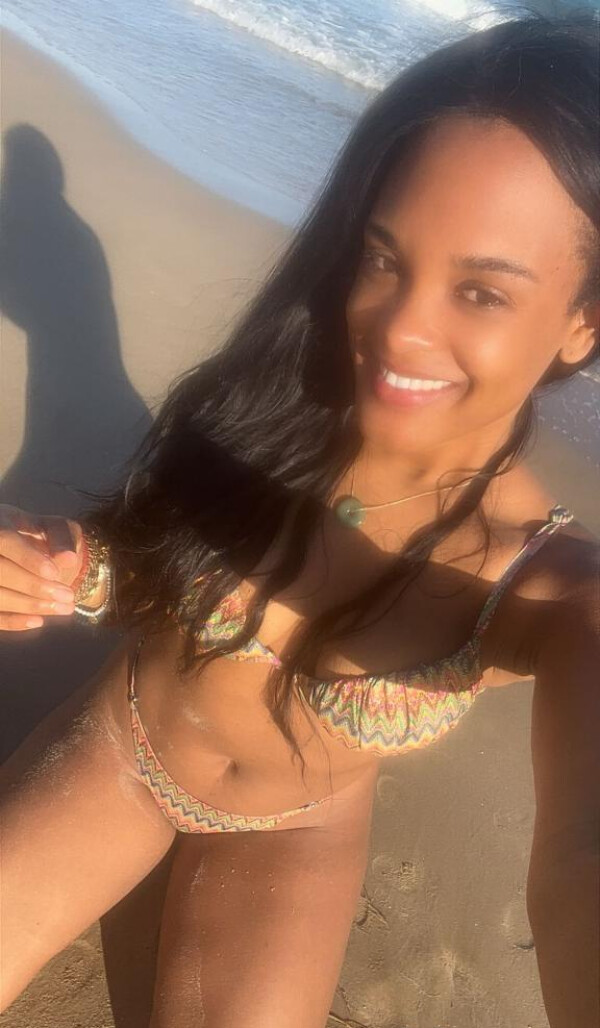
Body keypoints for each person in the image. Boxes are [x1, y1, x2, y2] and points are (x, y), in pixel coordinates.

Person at [1, 13, 599, 1028]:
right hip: (122, 750)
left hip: (293, 831)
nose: (400, 327)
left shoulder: (541, 586)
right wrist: (59, 565)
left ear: (584, 320)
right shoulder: (276, 405)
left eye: (480, 291)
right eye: (383, 259)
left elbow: (585, 853)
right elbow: (149, 563)